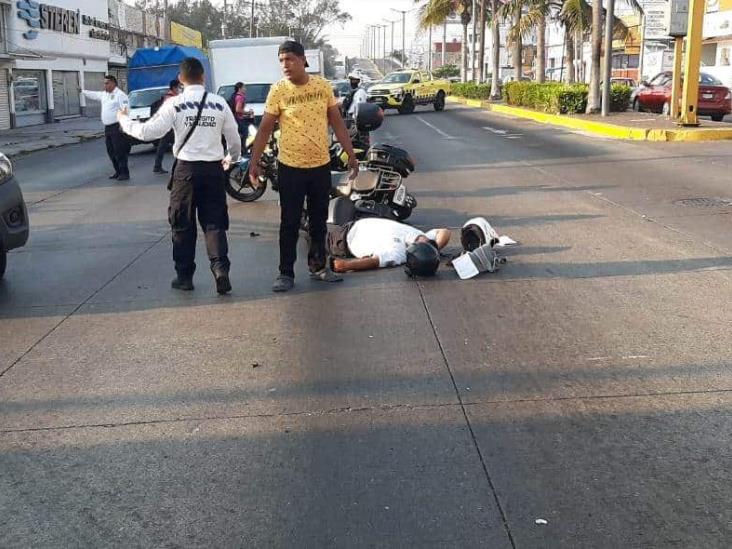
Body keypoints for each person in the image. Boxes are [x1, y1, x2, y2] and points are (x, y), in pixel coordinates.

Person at [117, 57, 241, 295]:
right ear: (203, 77)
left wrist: (124, 120)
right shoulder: (219, 103)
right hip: (213, 170)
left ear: (181, 79)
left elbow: (147, 132)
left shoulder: (175, 104)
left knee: (182, 224)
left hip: (186, 172)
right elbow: (234, 140)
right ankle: (220, 270)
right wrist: (230, 159)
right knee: (214, 223)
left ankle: (184, 277)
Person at [249, 40, 359, 293]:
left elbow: (337, 123)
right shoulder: (278, 90)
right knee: (289, 221)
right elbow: (265, 128)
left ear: (302, 60)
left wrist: (350, 155)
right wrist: (253, 164)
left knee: (319, 220)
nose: (284, 65)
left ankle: (319, 267)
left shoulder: (322, 87)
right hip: (290, 167)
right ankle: (285, 272)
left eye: (289, 59)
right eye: (281, 61)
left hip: (320, 166)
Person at [327, 217, 450, 274]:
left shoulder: (398, 253)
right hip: (355, 223)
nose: (425, 239)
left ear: (418, 250)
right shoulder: (422, 237)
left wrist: (345, 265)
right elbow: (444, 231)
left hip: (343, 240)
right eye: (429, 243)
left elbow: (374, 261)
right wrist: (435, 249)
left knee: (314, 235)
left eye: (426, 244)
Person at [82, 75, 131, 181]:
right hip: (108, 127)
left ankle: (124, 172)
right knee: (111, 151)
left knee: (119, 151)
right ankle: (117, 171)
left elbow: (126, 109)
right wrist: (82, 91)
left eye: (107, 83)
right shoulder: (104, 94)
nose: (104, 85)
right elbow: (94, 95)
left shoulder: (120, 95)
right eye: (104, 83)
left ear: (113, 83)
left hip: (117, 127)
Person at [152, 79, 181, 174]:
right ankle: (158, 166)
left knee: (164, 145)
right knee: (165, 145)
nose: (180, 89)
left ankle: (158, 166)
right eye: (178, 87)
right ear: (174, 88)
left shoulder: (171, 96)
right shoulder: (170, 98)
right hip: (169, 125)